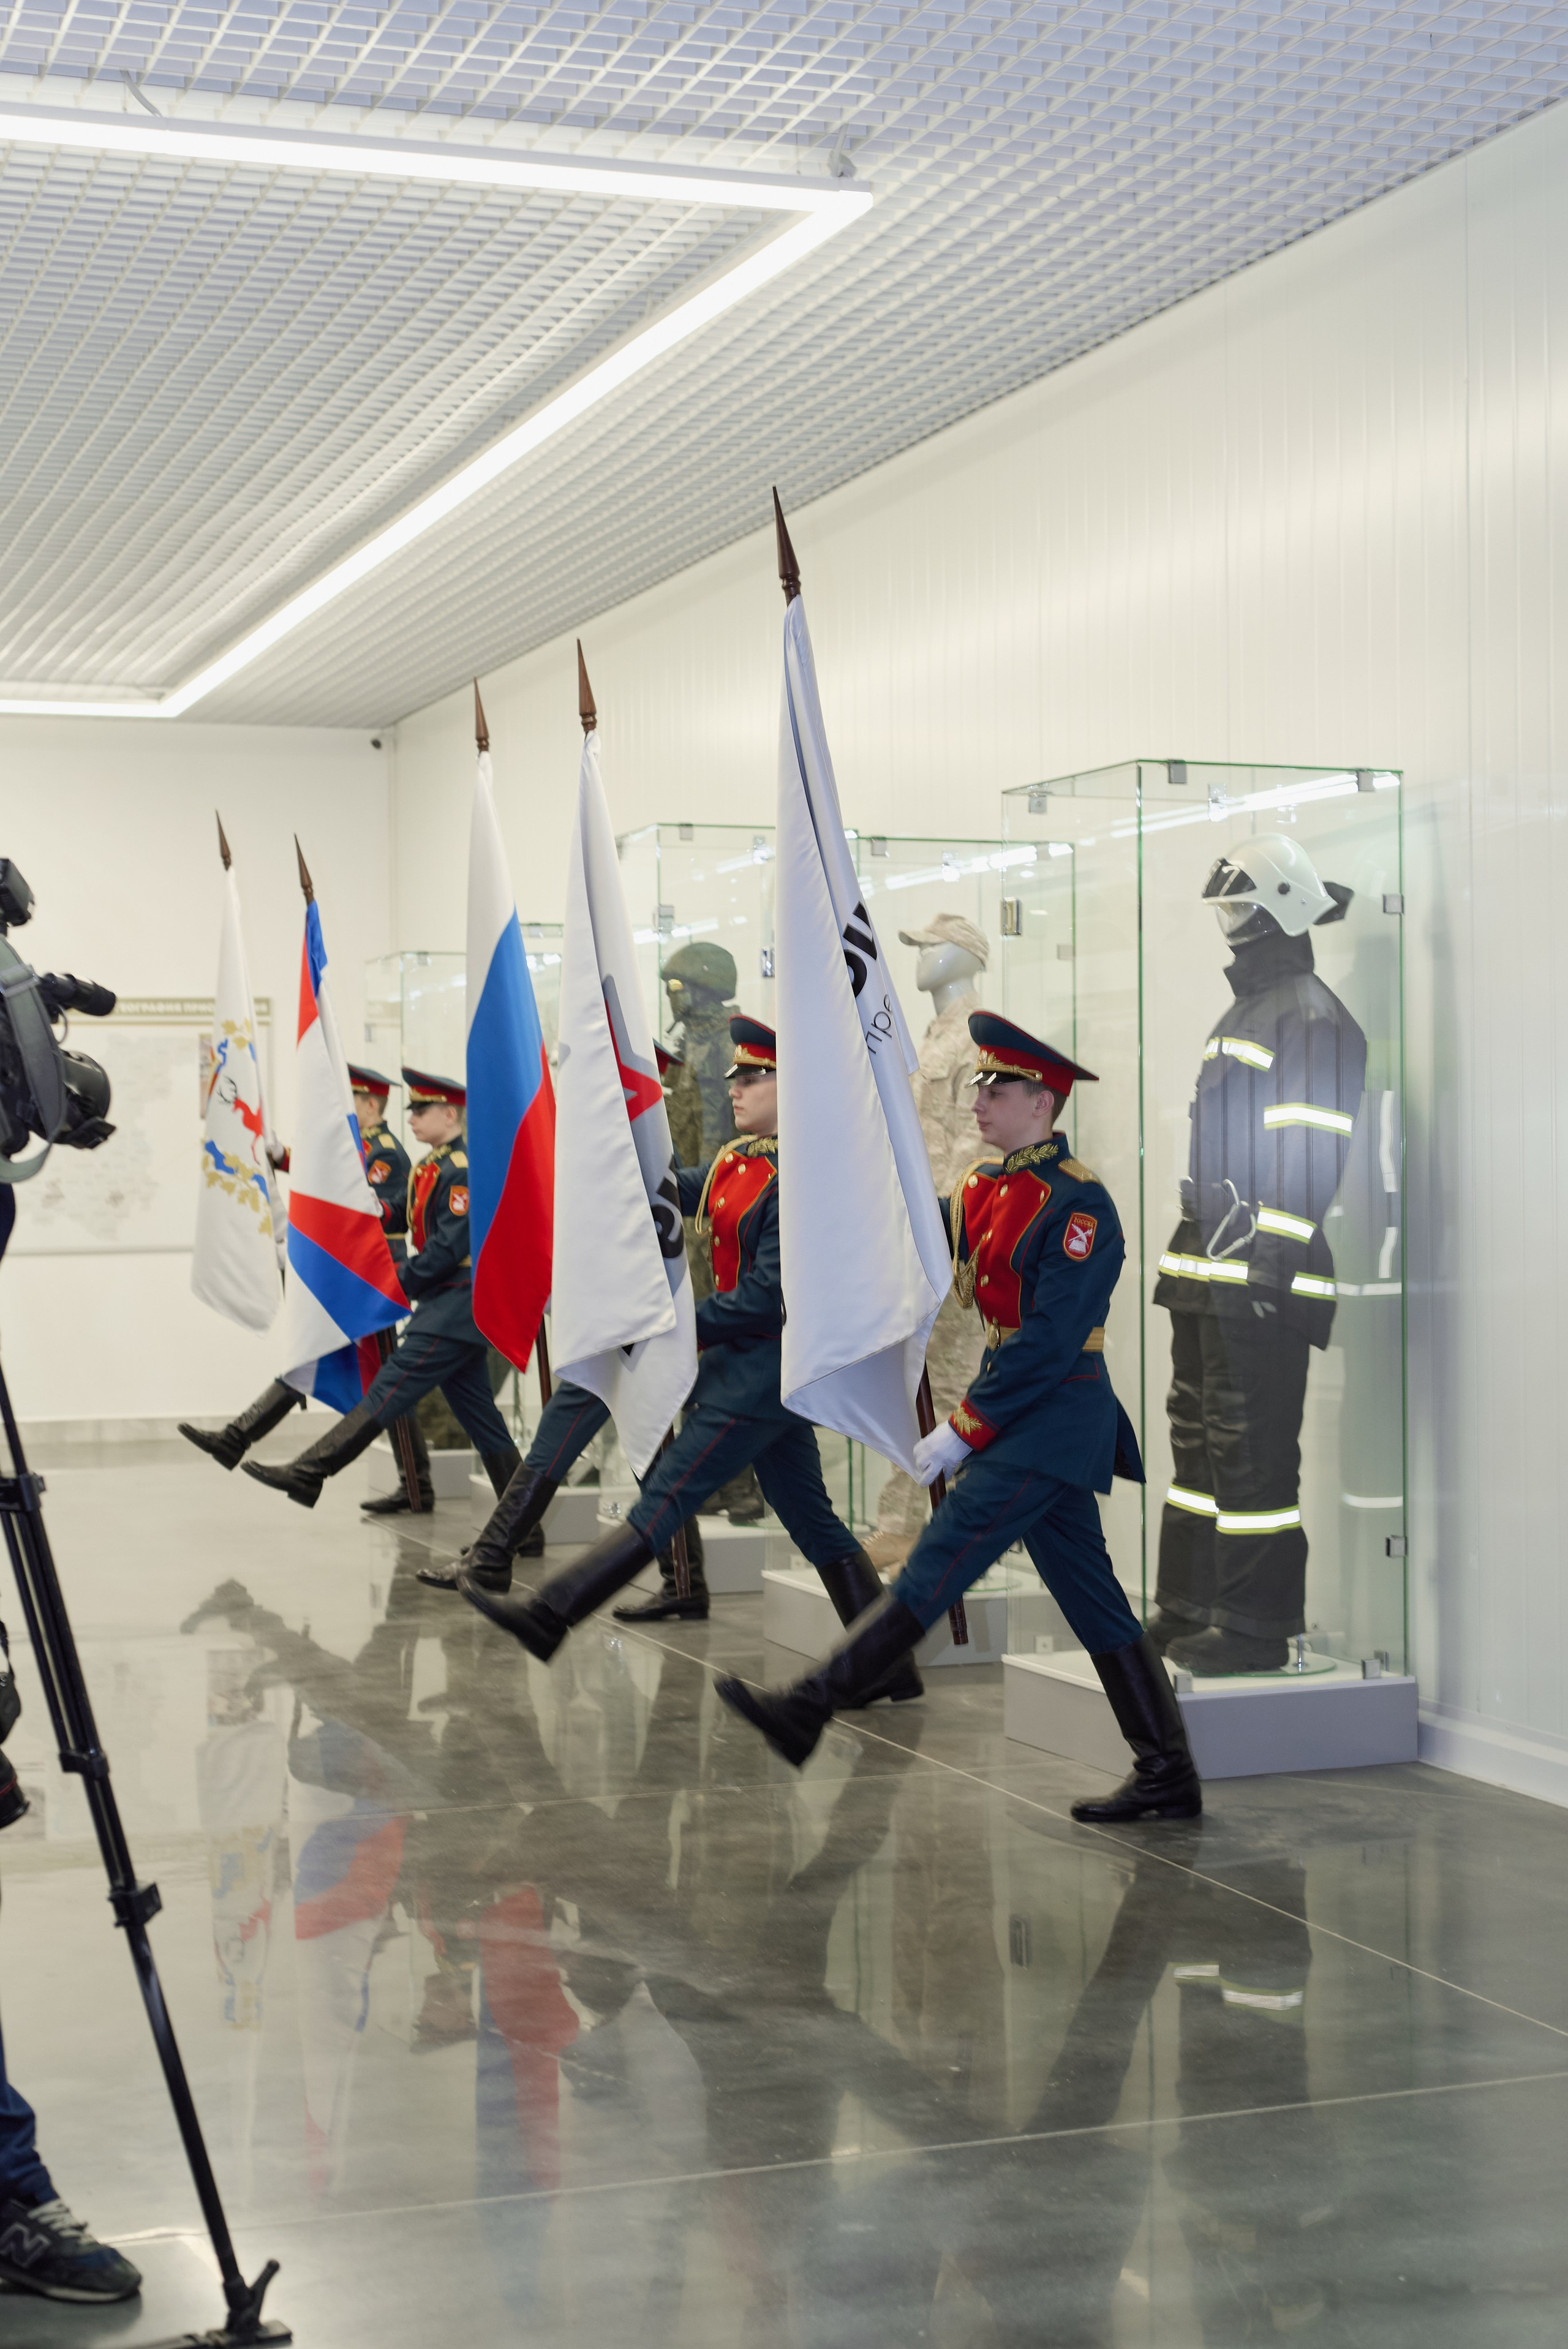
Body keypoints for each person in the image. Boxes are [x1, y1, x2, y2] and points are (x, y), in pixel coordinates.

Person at [715, 1012, 1201, 1825]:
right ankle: (1169, 1770)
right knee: (1094, 1601)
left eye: (998, 1086)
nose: (980, 1099)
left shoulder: (1078, 1205)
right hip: (1022, 1415)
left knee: (935, 1563)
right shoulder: (982, 1186)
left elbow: (1047, 1343)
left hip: (1052, 1417)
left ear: (1042, 1102)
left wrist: (967, 1424)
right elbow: (912, 1239)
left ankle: (809, 1706)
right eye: (978, 1083)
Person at [454, 1018, 922, 1706]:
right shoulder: (739, 1161)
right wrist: (604, 1132)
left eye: (753, 1077)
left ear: (790, 1085)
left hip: (762, 1367)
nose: (735, 1088)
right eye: (734, 1076)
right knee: (813, 1521)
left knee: (666, 1496)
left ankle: (551, 1614)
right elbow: (669, 1186)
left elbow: (766, 1299)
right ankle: (891, 1666)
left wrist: (675, 1328)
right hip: (755, 1370)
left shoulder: (799, 1175)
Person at [1148, 838, 1366, 1673]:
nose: (1230, 922)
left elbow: (1309, 1153)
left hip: (1257, 1279)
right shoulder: (1252, 1009)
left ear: (1287, 905)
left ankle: (1255, 1625)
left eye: (1242, 905)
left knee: (1253, 1449)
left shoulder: (1308, 1014)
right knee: (1199, 1445)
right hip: (1208, 1271)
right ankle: (1190, 1603)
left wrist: (1268, 1268)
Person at [242, 1070, 521, 1509]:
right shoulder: (431, 1165)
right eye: (412, 1110)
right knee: (483, 1421)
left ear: (450, 1114)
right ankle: (525, 1527)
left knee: (387, 1391)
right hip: (445, 1306)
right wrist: (378, 1209)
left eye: (422, 1110)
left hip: (454, 1308)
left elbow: (448, 1249)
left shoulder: (461, 1171)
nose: (412, 1119)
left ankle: (311, 1469)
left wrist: (391, 1284)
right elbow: (407, 1219)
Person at [175, 1063, 432, 1509]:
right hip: (351, 1274)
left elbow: (376, 1206)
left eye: (351, 1100)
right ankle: (238, 1439)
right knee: (373, 1376)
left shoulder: (387, 1152)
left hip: (373, 1278)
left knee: (386, 1379)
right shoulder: (361, 1144)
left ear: (370, 1105)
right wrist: (281, 1156)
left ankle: (416, 1484)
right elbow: (326, 1176)